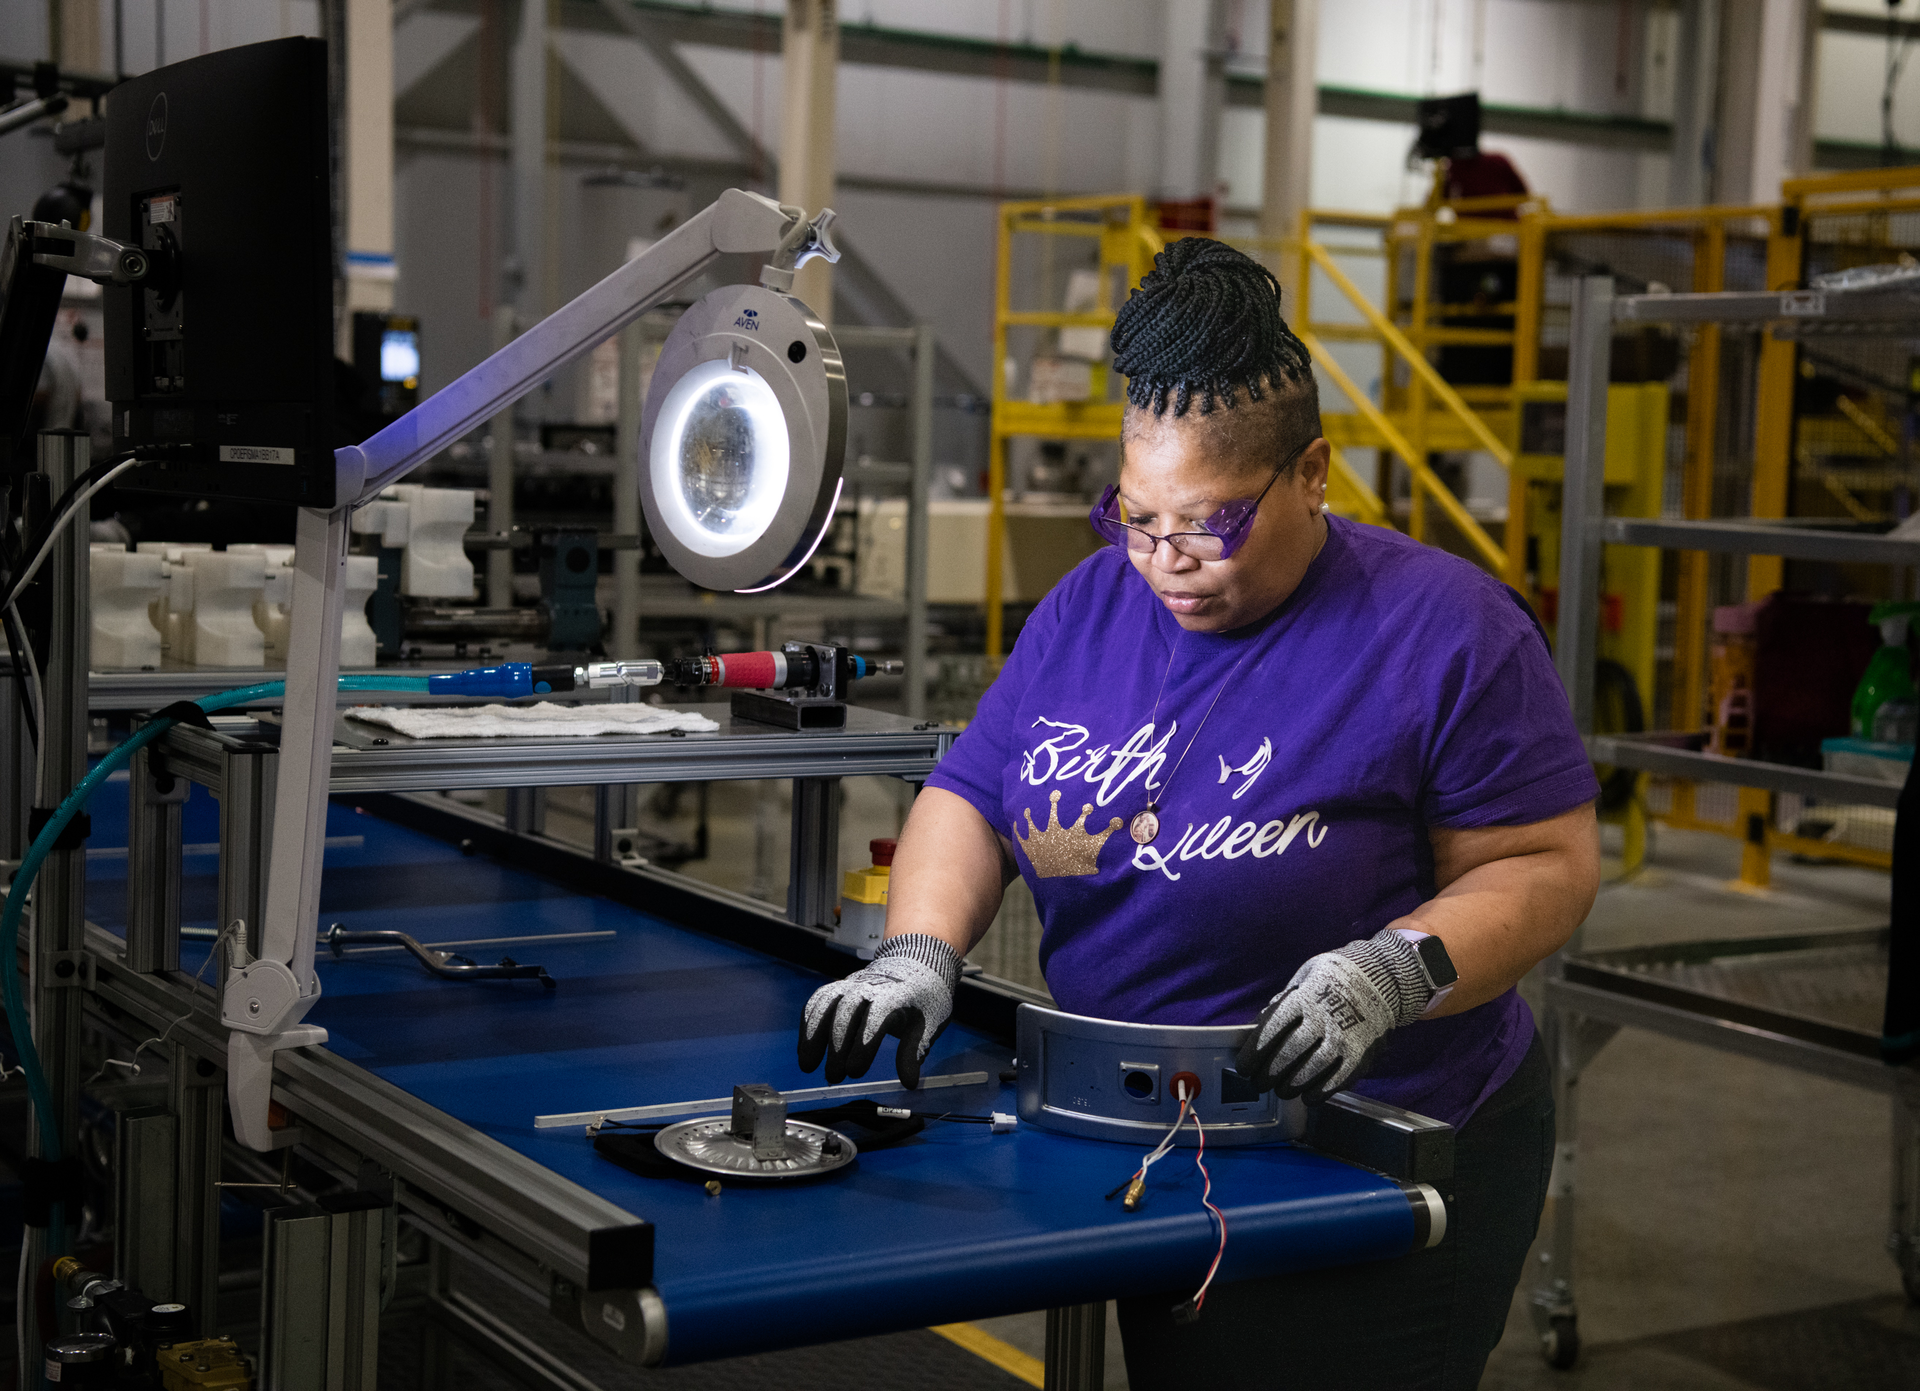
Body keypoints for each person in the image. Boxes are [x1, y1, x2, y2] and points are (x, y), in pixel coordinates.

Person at [797, 238, 1600, 1389]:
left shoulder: (1443, 631)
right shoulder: (1089, 605)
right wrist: (921, 948)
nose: (1166, 560)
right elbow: (972, 792)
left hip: (1373, 1150)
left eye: (1210, 524)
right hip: (1151, 1143)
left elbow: (1546, 861)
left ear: (1313, 472)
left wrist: (1394, 970)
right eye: (1135, 516)